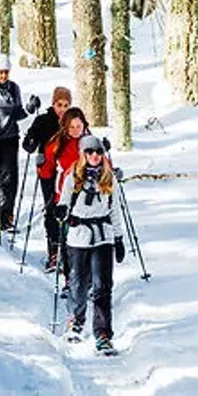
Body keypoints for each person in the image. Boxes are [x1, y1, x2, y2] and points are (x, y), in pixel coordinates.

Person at [54, 135, 125, 355]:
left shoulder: (108, 177)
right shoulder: (72, 177)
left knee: (103, 286)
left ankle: (103, 333)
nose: (95, 156)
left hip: (103, 236)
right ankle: (76, 320)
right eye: (90, 152)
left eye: (99, 152)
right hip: (78, 237)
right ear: (83, 154)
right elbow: (64, 201)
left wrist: (119, 238)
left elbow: (115, 209)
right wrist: (61, 210)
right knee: (78, 283)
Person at [22, 87, 72, 268]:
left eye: (66, 105)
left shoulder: (73, 121)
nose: (63, 109)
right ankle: (54, 251)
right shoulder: (43, 120)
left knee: (68, 209)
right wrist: (32, 144)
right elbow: (29, 140)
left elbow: (85, 138)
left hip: (69, 173)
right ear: (53, 103)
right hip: (48, 171)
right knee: (51, 208)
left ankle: (69, 250)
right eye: (60, 105)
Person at [38, 107, 90, 276]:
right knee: (68, 238)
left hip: (89, 195)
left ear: (84, 125)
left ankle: (87, 280)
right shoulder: (57, 142)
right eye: (72, 127)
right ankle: (70, 279)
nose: (76, 130)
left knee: (88, 237)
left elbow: (103, 163)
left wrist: (113, 171)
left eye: (78, 126)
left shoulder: (90, 142)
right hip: (66, 194)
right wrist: (42, 165)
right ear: (66, 127)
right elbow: (47, 169)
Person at [0, 53, 28, 229]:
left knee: (10, 178)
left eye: (6, 72)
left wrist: (30, 109)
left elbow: (18, 113)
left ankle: (6, 216)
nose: (3, 76)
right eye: (0, 72)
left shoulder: (14, 88)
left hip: (10, 139)